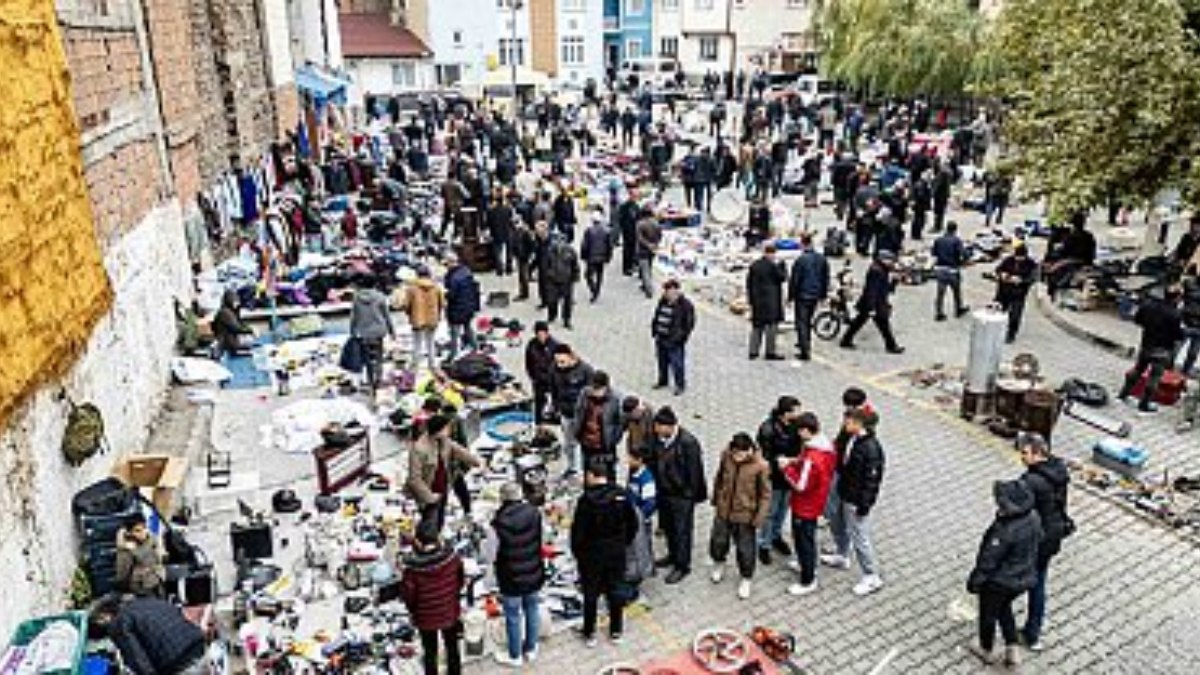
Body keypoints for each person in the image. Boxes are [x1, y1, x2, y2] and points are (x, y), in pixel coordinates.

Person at [966, 480, 1042, 669]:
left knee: (988, 614)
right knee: (1003, 608)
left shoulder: (1005, 530)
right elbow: (1040, 538)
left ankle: (986, 649)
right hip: (1024, 577)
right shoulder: (1033, 516)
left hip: (1000, 582)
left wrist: (975, 581)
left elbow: (988, 561)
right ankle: (1012, 648)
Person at [571, 457, 641, 647]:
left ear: (591, 476)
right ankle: (616, 631)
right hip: (615, 553)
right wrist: (622, 543)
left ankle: (589, 633)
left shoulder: (585, 501)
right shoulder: (621, 495)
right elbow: (633, 523)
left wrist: (579, 554)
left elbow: (578, 533)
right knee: (615, 590)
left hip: (592, 556)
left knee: (591, 594)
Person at [1016, 433, 1071, 652]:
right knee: (1038, 582)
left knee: (1014, 579)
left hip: (1036, 539)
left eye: (1025, 453)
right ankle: (1033, 633)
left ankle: (1001, 622)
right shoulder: (1058, 470)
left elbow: (1018, 510)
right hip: (1053, 535)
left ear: (1038, 453)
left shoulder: (1031, 481)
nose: (1022, 457)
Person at [821, 407, 886, 596]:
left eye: (848, 421)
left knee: (860, 536)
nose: (844, 424)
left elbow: (872, 481)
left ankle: (871, 576)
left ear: (859, 424)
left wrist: (864, 505)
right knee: (836, 522)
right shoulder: (851, 438)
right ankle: (842, 555)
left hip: (855, 499)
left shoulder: (871, 448)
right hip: (843, 491)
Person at [488, 483, 546, 667]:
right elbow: (541, 539)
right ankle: (531, 648)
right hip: (533, 571)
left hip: (510, 576)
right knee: (532, 608)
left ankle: (515, 656)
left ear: (503, 498)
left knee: (513, 615)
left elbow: (490, 554)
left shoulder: (498, 523)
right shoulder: (534, 513)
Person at [708, 433, 771, 600]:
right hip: (723, 510)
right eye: (735, 453)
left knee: (745, 549)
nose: (737, 457)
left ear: (749, 450)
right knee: (718, 541)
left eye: (741, 454)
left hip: (745, 516)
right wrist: (716, 499)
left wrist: (758, 518)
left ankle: (746, 578)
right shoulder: (726, 456)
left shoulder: (761, 466)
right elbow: (719, 478)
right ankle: (719, 563)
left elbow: (765, 495)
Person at [782, 413, 838, 596]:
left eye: (799, 431)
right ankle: (805, 565)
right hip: (816, 501)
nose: (798, 435)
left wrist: (786, 468)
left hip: (805, 506)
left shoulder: (813, 458)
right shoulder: (824, 447)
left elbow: (800, 485)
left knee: (804, 540)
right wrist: (796, 462)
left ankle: (808, 579)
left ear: (806, 431)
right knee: (806, 537)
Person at [649, 407, 707, 584]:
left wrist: (688, 495)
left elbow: (695, 472)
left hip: (682, 496)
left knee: (682, 531)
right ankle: (672, 556)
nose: (655, 430)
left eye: (658, 427)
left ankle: (682, 566)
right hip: (664, 492)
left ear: (669, 426)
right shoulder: (659, 438)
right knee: (668, 528)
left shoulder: (688, 443)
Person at [401, 519, 467, 675]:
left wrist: (413, 611)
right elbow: (461, 581)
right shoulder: (452, 559)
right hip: (449, 611)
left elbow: (409, 598)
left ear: (418, 541)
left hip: (425, 618)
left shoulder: (412, 570)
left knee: (430, 652)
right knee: (452, 647)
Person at [89, 595, 207, 675]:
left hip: (177, 662)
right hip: (198, 644)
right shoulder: (146, 601)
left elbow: (138, 659)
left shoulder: (119, 622)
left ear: (107, 615)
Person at [405, 414, 483, 531]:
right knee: (430, 522)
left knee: (440, 518)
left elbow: (459, 451)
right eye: (446, 428)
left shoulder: (444, 441)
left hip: (443, 487)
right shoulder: (419, 449)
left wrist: (477, 462)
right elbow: (414, 479)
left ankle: (438, 535)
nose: (449, 430)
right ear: (438, 430)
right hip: (429, 492)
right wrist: (430, 497)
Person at [1117, 288, 1184, 414]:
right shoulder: (1175, 314)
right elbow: (1178, 335)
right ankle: (1144, 404)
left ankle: (1123, 394)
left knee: (1137, 370)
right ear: (1177, 298)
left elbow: (1137, 319)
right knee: (1154, 377)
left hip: (1146, 344)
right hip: (1163, 349)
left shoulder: (1149, 306)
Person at [756, 396, 803, 564]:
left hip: (790, 476)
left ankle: (776, 537)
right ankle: (764, 544)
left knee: (783, 509)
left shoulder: (797, 425)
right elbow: (765, 456)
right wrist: (782, 461)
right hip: (774, 477)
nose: (799, 413)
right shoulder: (768, 429)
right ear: (785, 413)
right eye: (795, 410)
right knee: (770, 512)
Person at [839, 251, 905, 354]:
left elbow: (886, 288)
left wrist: (894, 281)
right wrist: (872, 308)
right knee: (882, 325)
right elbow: (872, 290)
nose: (892, 263)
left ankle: (846, 340)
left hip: (873, 303)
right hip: (874, 304)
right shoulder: (877, 271)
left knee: (859, 322)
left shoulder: (882, 269)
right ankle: (891, 346)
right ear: (883, 260)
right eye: (890, 260)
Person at [551, 343, 595, 478]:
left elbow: (593, 393)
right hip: (566, 414)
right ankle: (572, 467)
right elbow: (553, 389)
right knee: (569, 443)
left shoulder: (586, 370)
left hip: (582, 416)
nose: (559, 364)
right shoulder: (554, 369)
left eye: (562, 361)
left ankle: (589, 470)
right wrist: (556, 406)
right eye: (557, 361)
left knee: (586, 444)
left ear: (571, 357)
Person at [574, 371, 625, 478]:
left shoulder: (615, 399)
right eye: (593, 388)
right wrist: (577, 431)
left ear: (606, 387)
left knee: (608, 472)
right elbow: (578, 412)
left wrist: (613, 439)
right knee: (588, 470)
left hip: (605, 445)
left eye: (597, 389)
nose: (594, 392)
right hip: (586, 442)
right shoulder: (584, 393)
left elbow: (621, 421)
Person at [349, 276, 395, 392]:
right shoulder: (380, 296)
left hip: (364, 332)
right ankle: (378, 379)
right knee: (379, 357)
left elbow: (354, 317)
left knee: (367, 358)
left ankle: (370, 380)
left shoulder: (356, 298)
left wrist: (353, 331)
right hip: (379, 331)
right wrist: (392, 331)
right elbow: (386, 316)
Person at [651, 279, 696, 396]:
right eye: (666, 291)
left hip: (674, 341)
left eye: (670, 291)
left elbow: (689, 324)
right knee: (662, 361)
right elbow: (657, 315)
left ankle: (680, 385)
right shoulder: (662, 301)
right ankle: (663, 380)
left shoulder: (686, 305)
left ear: (676, 291)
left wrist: (681, 337)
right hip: (661, 337)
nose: (667, 294)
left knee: (677, 364)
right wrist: (655, 330)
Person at [789, 234, 830, 361]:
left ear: (802, 244)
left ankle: (804, 349)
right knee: (808, 320)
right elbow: (825, 278)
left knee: (801, 322)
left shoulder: (801, 260)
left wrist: (791, 296)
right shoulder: (822, 259)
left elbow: (795, 280)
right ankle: (805, 342)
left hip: (802, 295)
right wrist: (823, 295)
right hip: (815, 294)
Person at [396, 265, 445, 370]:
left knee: (417, 344)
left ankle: (415, 365)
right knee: (431, 343)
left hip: (417, 319)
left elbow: (406, 304)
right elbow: (443, 303)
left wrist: (409, 313)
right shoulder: (436, 287)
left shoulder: (412, 288)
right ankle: (432, 365)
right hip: (432, 319)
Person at [747, 242, 788, 360]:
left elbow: (749, 284)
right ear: (773, 254)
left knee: (757, 327)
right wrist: (782, 266)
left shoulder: (755, 265)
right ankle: (770, 351)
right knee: (771, 328)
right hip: (771, 302)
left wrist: (751, 300)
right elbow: (782, 277)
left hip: (757, 301)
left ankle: (753, 351)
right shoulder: (773, 266)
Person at [625, 445, 658, 592]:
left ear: (640, 460)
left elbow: (650, 504)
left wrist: (638, 517)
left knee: (643, 545)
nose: (628, 460)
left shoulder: (647, 479)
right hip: (633, 517)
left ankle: (647, 568)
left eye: (631, 458)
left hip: (641, 520)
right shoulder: (633, 473)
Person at [995, 243, 1038, 343]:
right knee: (1000, 312)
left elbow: (1033, 278)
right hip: (1004, 291)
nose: (1018, 259)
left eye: (1021, 257)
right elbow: (998, 269)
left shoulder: (1031, 264)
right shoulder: (1009, 260)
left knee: (1015, 314)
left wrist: (1021, 280)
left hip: (1019, 293)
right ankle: (998, 330)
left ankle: (1011, 334)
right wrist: (1002, 274)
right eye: (1017, 257)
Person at [114, 516, 163, 597]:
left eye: (144, 528)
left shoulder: (153, 540)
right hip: (141, 587)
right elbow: (122, 573)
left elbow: (159, 560)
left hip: (157, 581)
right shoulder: (126, 550)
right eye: (137, 531)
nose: (143, 532)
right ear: (129, 533)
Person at [931, 221, 971, 321]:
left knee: (940, 293)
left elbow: (934, 253)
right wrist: (965, 260)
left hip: (940, 269)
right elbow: (964, 254)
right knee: (956, 292)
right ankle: (958, 309)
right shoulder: (957, 241)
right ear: (955, 230)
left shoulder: (938, 240)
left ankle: (939, 313)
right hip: (952, 269)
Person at [443, 253, 480, 354]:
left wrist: (444, 294)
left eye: (446, 264)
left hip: (457, 309)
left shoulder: (454, 278)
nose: (446, 267)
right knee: (468, 327)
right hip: (468, 307)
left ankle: (454, 353)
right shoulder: (466, 272)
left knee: (454, 332)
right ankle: (475, 348)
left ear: (451, 263)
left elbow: (452, 295)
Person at [543, 232, 581, 329]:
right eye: (557, 241)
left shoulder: (571, 251)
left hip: (566, 280)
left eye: (561, 241)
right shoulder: (550, 251)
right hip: (553, 280)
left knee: (567, 302)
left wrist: (576, 276)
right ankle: (552, 316)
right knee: (552, 300)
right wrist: (548, 274)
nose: (559, 243)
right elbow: (546, 265)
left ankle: (566, 320)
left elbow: (575, 265)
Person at [525, 321, 559, 425]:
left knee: (555, 400)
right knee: (539, 401)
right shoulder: (531, 345)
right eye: (539, 334)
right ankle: (538, 421)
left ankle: (554, 417)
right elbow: (528, 362)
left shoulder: (555, 345)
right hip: (538, 380)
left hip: (552, 380)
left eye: (543, 334)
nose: (541, 337)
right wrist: (533, 377)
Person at [581, 214, 613, 302]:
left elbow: (584, 245)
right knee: (599, 274)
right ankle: (597, 290)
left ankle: (594, 289)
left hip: (591, 257)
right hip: (602, 257)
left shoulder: (589, 231)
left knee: (588, 275)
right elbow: (609, 245)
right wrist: (609, 257)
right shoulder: (606, 231)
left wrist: (583, 256)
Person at [212, 289, 253, 357]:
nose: (236, 304)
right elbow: (236, 327)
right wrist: (250, 330)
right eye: (235, 301)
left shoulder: (230, 312)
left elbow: (240, 323)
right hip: (227, 343)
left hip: (230, 342)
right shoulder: (225, 313)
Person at [635, 207, 663, 298]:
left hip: (643, 250)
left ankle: (649, 290)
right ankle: (645, 285)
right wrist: (656, 244)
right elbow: (660, 235)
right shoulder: (656, 223)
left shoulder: (640, 224)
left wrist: (648, 244)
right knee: (649, 267)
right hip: (653, 249)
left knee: (645, 270)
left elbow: (639, 238)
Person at [1178, 267, 1200, 377]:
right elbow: (1178, 295)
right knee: (1175, 348)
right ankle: (1167, 370)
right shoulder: (1189, 283)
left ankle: (1184, 374)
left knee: (1193, 354)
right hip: (1186, 322)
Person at [488, 193, 515, 276]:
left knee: (497, 251)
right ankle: (509, 268)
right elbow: (512, 220)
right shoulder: (508, 209)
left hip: (496, 232)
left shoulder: (491, 211)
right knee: (509, 251)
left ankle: (499, 269)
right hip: (507, 231)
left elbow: (489, 223)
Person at [512, 219, 537, 301]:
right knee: (522, 275)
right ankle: (523, 292)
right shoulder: (518, 231)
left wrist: (529, 255)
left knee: (523, 276)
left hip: (524, 257)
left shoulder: (525, 232)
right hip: (520, 256)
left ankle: (524, 294)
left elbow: (532, 245)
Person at [618, 192, 641, 276]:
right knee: (627, 250)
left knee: (632, 250)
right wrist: (624, 229)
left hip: (634, 232)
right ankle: (626, 268)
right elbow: (621, 219)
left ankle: (631, 265)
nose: (635, 198)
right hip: (627, 232)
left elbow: (638, 218)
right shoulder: (625, 206)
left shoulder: (636, 206)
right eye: (634, 196)